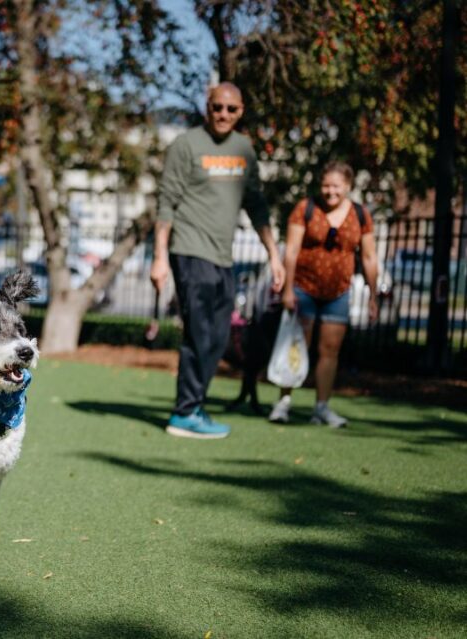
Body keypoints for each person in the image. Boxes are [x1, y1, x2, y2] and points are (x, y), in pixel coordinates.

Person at [151, 82, 285, 439]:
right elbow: (166, 201)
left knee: (221, 335)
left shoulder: (244, 149)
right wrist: (160, 257)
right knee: (200, 333)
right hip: (189, 249)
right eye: (217, 108)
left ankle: (194, 406)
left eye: (231, 109)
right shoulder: (186, 145)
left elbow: (256, 204)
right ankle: (184, 413)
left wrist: (274, 254)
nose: (223, 115)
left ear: (241, 111)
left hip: (222, 257)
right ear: (207, 107)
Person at [268, 161, 378, 428]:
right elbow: (291, 251)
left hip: (339, 291)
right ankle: (283, 402)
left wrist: (373, 294)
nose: (330, 192)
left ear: (348, 187)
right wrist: (288, 289)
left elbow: (369, 256)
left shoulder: (360, 215)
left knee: (330, 350)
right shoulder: (305, 209)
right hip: (303, 288)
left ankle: (321, 407)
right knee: (296, 345)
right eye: (326, 185)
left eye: (336, 186)